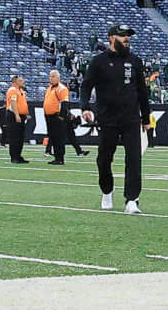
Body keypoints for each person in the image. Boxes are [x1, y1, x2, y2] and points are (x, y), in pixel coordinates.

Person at [82, 23, 150, 213]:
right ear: (111, 38)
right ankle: (107, 191)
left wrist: (146, 118)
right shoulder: (99, 61)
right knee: (104, 159)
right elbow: (86, 86)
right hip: (107, 118)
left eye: (128, 36)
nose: (126, 39)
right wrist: (85, 107)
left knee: (134, 159)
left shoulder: (135, 61)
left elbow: (142, 92)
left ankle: (132, 200)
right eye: (122, 36)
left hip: (131, 118)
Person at [41, 70, 74, 165]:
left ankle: (60, 158)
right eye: (50, 76)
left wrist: (61, 116)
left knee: (59, 137)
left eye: (53, 76)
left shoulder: (61, 88)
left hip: (56, 116)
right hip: (49, 116)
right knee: (53, 137)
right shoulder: (49, 88)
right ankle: (56, 157)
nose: (51, 78)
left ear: (58, 78)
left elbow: (65, 103)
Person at [0, 75, 30, 164]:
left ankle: (18, 155)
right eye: (20, 80)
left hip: (21, 115)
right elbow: (13, 103)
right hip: (13, 115)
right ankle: (14, 157)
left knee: (20, 137)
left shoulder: (20, 90)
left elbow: (22, 103)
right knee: (14, 137)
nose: (22, 82)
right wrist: (17, 115)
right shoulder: (12, 90)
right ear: (15, 81)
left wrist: (26, 113)